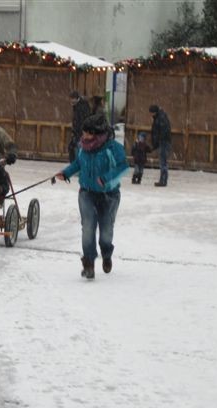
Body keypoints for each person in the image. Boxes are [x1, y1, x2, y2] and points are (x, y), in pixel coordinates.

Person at [55, 114, 129, 280]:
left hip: (109, 195)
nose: (84, 136)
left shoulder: (113, 148)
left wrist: (106, 178)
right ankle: (88, 263)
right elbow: (78, 164)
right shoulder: (84, 147)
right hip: (87, 193)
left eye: (88, 133)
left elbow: (123, 166)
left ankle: (106, 252)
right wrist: (66, 173)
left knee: (106, 231)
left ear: (98, 134)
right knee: (88, 227)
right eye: (84, 133)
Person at [149, 104, 172, 187]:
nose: (151, 115)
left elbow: (162, 131)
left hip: (164, 142)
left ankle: (163, 180)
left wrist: (158, 141)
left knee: (163, 162)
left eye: (151, 113)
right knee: (163, 162)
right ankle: (163, 180)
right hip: (163, 142)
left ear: (154, 112)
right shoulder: (159, 117)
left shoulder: (161, 118)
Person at [68, 91, 91, 163]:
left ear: (76, 98)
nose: (71, 101)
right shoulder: (79, 105)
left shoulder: (81, 106)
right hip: (79, 132)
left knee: (79, 149)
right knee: (76, 148)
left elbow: (81, 120)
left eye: (72, 99)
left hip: (81, 132)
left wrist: (79, 132)